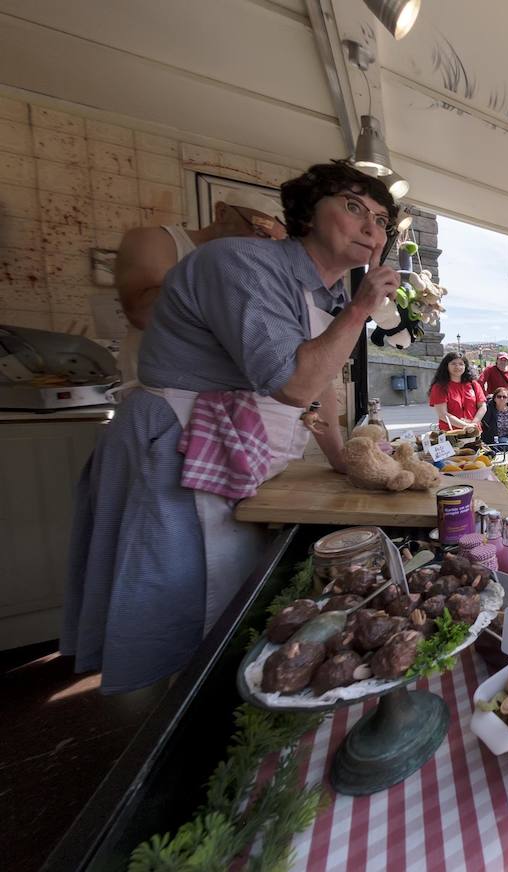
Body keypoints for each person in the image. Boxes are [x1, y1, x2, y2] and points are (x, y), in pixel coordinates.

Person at [65, 161, 398, 693]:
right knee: (176, 592)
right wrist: (361, 309)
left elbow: (324, 386)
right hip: (177, 443)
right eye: (353, 207)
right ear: (307, 215)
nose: (370, 228)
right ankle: (173, 723)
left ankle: (212, 692)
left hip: (237, 448)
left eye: (381, 220)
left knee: (222, 593)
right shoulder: (240, 262)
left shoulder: (324, 294)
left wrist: (343, 461)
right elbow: (294, 382)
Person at [114, 189, 285, 388]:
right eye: (258, 232)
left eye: (273, 242)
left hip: (217, 393)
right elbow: (142, 315)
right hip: (156, 387)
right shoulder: (157, 241)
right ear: (221, 212)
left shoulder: (256, 267)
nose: (262, 246)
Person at [430, 352, 487, 432]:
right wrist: (466, 426)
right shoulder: (439, 387)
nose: (457, 367)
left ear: (465, 366)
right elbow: (443, 414)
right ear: (446, 366)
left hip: (474, 431)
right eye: (453, 363)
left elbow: (482, 406)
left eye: (461, 364)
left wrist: (474, 423)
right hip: (451, 433)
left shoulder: (473, 384)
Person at [479, 387, 508, 452]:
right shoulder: (488, 409)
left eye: (504, 397)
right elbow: (483, 424)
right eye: (499, 396)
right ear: (494, 398)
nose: (501, 399)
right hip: (493, 439)